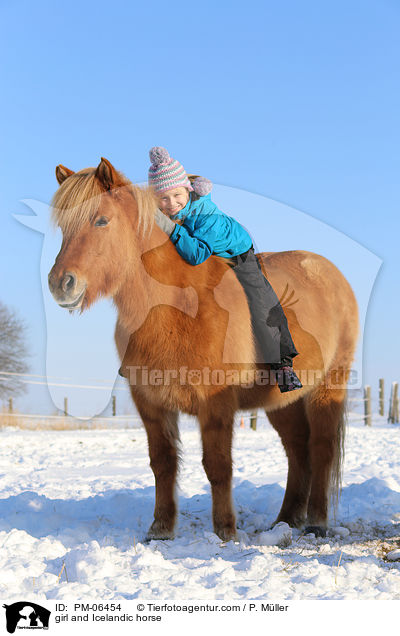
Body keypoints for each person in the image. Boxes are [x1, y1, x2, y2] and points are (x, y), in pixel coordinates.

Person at [148, 146, 302, 393]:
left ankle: (283, 366)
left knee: (260, 299)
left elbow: (197, 253)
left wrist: (169, 228)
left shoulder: (208, 218)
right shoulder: (169, 214)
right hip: (202, 251)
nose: (171, 203)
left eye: (177, 195)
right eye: (163, 199)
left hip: (236, 254)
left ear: (188, 191)